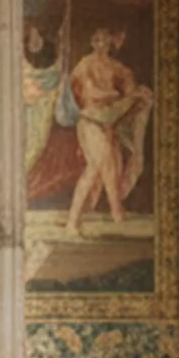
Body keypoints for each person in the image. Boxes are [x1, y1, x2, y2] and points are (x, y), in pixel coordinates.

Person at [66, 27, 155, 234]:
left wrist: (138, 94)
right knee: (95, 167)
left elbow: (131, 90)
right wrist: (117, 96)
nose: (100, 44)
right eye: (96, 40)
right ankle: (72, 221)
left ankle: (117, 214)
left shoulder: (117, 68)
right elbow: (89, 92)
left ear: (111, 43)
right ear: (92, 42)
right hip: (91, 121)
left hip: (108, 123)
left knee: (111, 169)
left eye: (104, 41)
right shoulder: (85, 64)